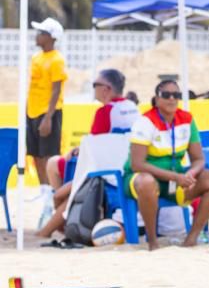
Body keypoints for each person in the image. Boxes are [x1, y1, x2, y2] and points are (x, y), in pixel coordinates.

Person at [37, 68, 139, 239]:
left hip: (104, 172)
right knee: (68, 188)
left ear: (106, 89)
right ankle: (59, 222)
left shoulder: (105, 112)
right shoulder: (132, 108)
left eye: (95, 85)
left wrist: (77, 150)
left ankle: (55, 226)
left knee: (56, 168)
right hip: (128, 168)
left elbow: (93, 147)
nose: (94, 89)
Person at [124, 79, 209, 249]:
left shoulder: (186, 119)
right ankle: (152, 241)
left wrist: (191, 174)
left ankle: (192, 238)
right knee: (146, 181)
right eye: (166, 95)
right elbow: (137, 164)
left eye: (176, 95)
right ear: (156, 99)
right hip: (141, 178)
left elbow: (199, 159)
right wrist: (175, 176)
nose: (172, 98)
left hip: (175, 179)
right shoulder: (145, 121)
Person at [26, 18, 67, 216]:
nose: (37, 35)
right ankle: (43, 190)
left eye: (41, 32)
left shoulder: (57, 59)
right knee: (35, 154)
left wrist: (48, 117)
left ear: (50, 37)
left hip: (48, 112)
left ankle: (52, 191)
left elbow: (56, 89)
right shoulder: (36, 57)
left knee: (50, 154)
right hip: (32, 111)